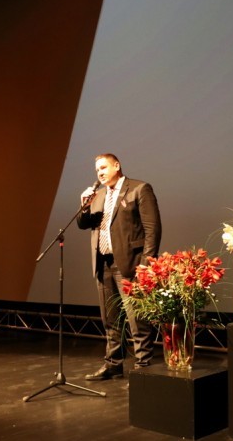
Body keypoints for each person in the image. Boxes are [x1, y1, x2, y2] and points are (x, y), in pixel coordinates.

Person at [77, 153, 162, 380]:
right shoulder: (98, 195)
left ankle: (144, 367)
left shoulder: (139, 189)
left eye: (104, 167)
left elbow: (152, 230)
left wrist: (146, 265)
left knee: (137, 319)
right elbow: (84, 224)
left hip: (131, 264)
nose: (100, 173)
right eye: (97, 170)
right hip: (103, 262)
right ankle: (113, 364)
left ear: (117, 165)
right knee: (111, 319)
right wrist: (84, 206)